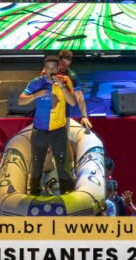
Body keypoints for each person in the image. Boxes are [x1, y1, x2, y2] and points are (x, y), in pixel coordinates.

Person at [19, 55, 78, 196]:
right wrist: (36, 95)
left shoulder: (65, 81)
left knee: (62, 163)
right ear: (44, 69)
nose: (51, 71)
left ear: (58, 69)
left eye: (53, 68)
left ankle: (67, 193)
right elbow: (21, 101)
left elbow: (72, 102)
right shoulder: (36, 82)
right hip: (40, 130)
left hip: (58, 130)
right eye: (48, 68)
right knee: (37, 163)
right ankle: (34, 192)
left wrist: (62, 87)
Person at [59, 49, 92, 129]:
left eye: (66, 65)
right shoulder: (49, 70)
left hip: (64, 114)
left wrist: (84, 116)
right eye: (62, 64)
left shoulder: (72, 76)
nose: (63, 67)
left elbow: (79, 96)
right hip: (48, 113)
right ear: (58, 60)